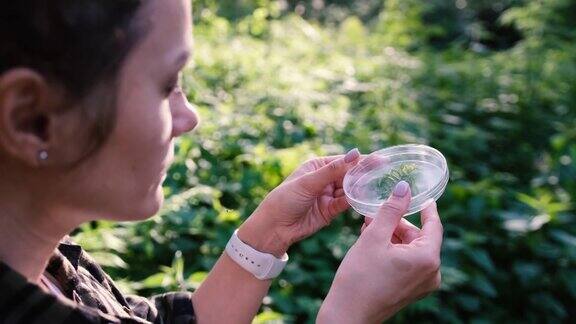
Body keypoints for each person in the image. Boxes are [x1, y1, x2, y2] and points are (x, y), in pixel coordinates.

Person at [0, 0, 443, 323]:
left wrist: (270, 233)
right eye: (167, 83)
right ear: (30, 120)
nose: (188, 117)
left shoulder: (47, 266)